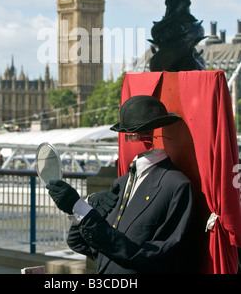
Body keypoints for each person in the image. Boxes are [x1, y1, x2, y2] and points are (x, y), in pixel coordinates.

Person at [46, 95, 197, 274]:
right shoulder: (122, 182)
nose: (128, 142)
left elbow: (154, 257)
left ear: (151, 136)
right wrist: (86, 205)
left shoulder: (176, 186)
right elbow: (81, 244)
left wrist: (80, 208)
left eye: (130, 135)